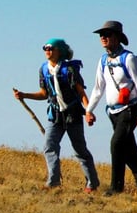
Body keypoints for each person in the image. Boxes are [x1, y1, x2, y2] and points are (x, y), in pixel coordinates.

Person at [14, 38, 100, 192]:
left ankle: (92, 184)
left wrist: (88, 111)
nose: (47, 50)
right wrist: (24, 95)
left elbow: (81, 93)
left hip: (73, 114)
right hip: (55, 115)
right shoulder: (44, 70)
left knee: (79, 150)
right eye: (45, 48)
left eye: (51, 48)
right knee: (49, 146)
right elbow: (44, 94)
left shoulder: (70, 69)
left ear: (59, 51)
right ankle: (53, 182)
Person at [85, 20, 137, 201]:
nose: (103, 38)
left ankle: (116, 188)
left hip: (130, 110)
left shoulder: (129, 59)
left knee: (116, 144)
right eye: (101, 35)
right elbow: (98, 88)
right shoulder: (103, 60)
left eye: (107, 35)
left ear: (117, 37)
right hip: (113, 112)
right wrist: (89, 110)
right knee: (130, 152)